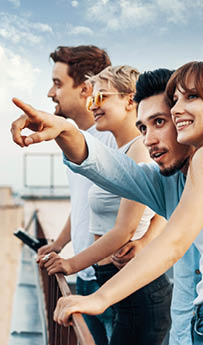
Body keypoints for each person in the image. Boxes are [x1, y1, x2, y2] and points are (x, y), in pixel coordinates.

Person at [10, 66, 203, 345]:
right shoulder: (171, 183)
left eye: (160, 121)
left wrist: (100, 297)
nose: (149, 140)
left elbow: (173, 243)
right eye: (143, 127)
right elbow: (114, 169)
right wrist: (64, 131)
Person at [38, 65, 172, 345]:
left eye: (100, 98)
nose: (93, 106)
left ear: (129, 99)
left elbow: (124, 230)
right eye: (91, 100)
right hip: (113, 280)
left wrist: (70, 264)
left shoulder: (139, 149)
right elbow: (166, 198)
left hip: (136, 288)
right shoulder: (118, 152)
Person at [37, 45, 117, 345]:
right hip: (86, 274)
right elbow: (85, 202)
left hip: (111, 280)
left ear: (86, 89)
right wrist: (58, 243)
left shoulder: (112, 138)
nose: (50, 93)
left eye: (58, 84)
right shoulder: (80, 140)